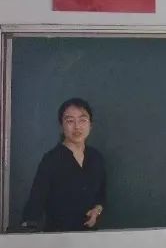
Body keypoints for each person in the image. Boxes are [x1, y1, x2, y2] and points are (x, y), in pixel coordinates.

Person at [21, 98, 106, 232]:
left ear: (90, 125)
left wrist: (97, 210)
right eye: (70, 121)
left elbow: (101, 195)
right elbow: (36, 202)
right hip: (58, 237)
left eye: (82, 120)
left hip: (90, 237)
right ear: (61, 126)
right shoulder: (51, 160)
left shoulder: (96, 157)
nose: (77, 127)